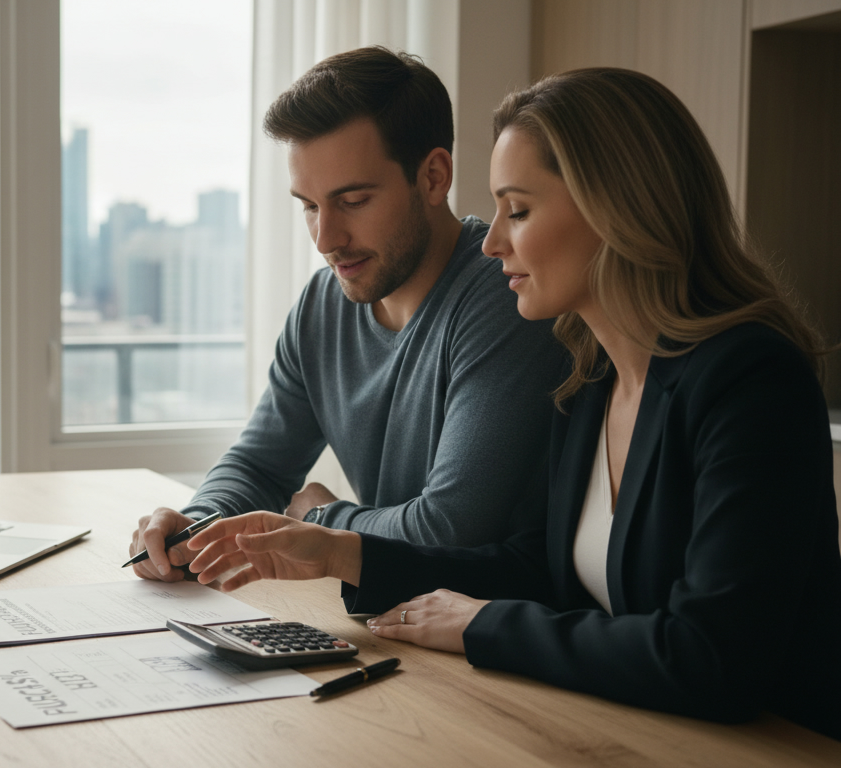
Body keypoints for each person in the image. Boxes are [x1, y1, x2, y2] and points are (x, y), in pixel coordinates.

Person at [184, 67, 841, 738]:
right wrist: (339, 553)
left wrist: (483, 623)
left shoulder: (751, 381)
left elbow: (713, 658)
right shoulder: (594, 378)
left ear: (616, 208)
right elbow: (540, 572)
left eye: (518, 211)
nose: (493, 241)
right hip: (645, 729)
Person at [129, 46, 565, 582]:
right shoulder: (321, 307)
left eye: (353, 200)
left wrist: (317, 520)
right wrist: (195, 525)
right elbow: (260, 466)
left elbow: (452, 530)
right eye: (310, 206)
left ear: (433, 177)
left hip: (493, 635)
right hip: (395, 621)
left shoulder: (507, 295)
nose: (325, 239)